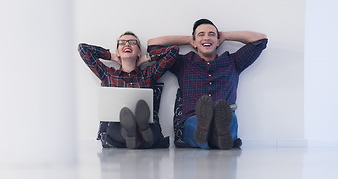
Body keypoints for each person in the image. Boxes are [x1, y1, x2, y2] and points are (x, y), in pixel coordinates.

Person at [148, 19, 267, 150]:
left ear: (218, 41)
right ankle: (211, 135)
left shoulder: (233, 62)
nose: (206, 38)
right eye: (201, 35)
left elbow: (260, 40)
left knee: (229, 119)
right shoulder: (183, 63)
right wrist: (189, 39)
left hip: (224, 115)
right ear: (194, 42)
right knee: (196, 125)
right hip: (194, 117)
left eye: (211, 34)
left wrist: (225, 36)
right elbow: (153, 45)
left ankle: (218, 135)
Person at [78, 31, 179, 149]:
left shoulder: (149, 74)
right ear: (118, 51)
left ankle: (138, 131)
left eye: (132, 42)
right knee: (116, 127)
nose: (127, 45)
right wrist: (110, 56)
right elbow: (83, 49)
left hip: (147, 126)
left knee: (151, 127)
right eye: (122, 43)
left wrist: (148, 57)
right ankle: (134, 134)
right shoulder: (108, 75)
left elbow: (173, 51)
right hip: (118, 126)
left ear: (139, 52)